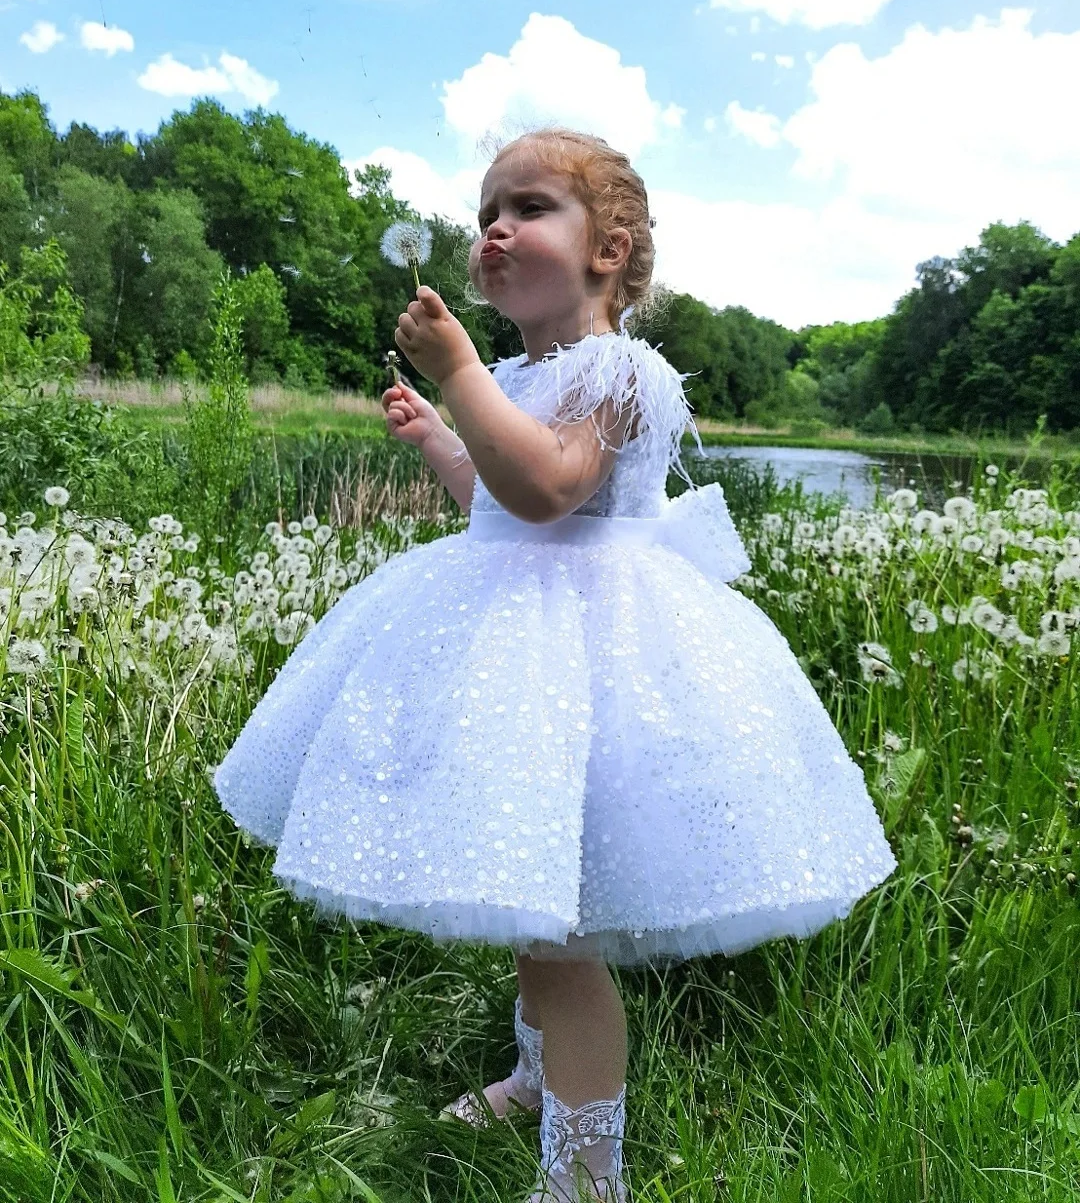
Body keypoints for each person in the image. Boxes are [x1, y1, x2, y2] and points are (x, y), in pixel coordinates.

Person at [212, 126, 898, 1201]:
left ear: (608, 250)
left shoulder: (622, 369)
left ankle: (588, 1173)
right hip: (519, 660)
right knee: (534, 908)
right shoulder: (526, 377)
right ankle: (541, 1074)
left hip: (601, 659)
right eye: (486, 209)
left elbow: (550, 490)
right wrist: (445, 433)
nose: (494, 226)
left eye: (528, 206)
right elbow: (498, 506)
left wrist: (461, 373)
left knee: (564, 933)